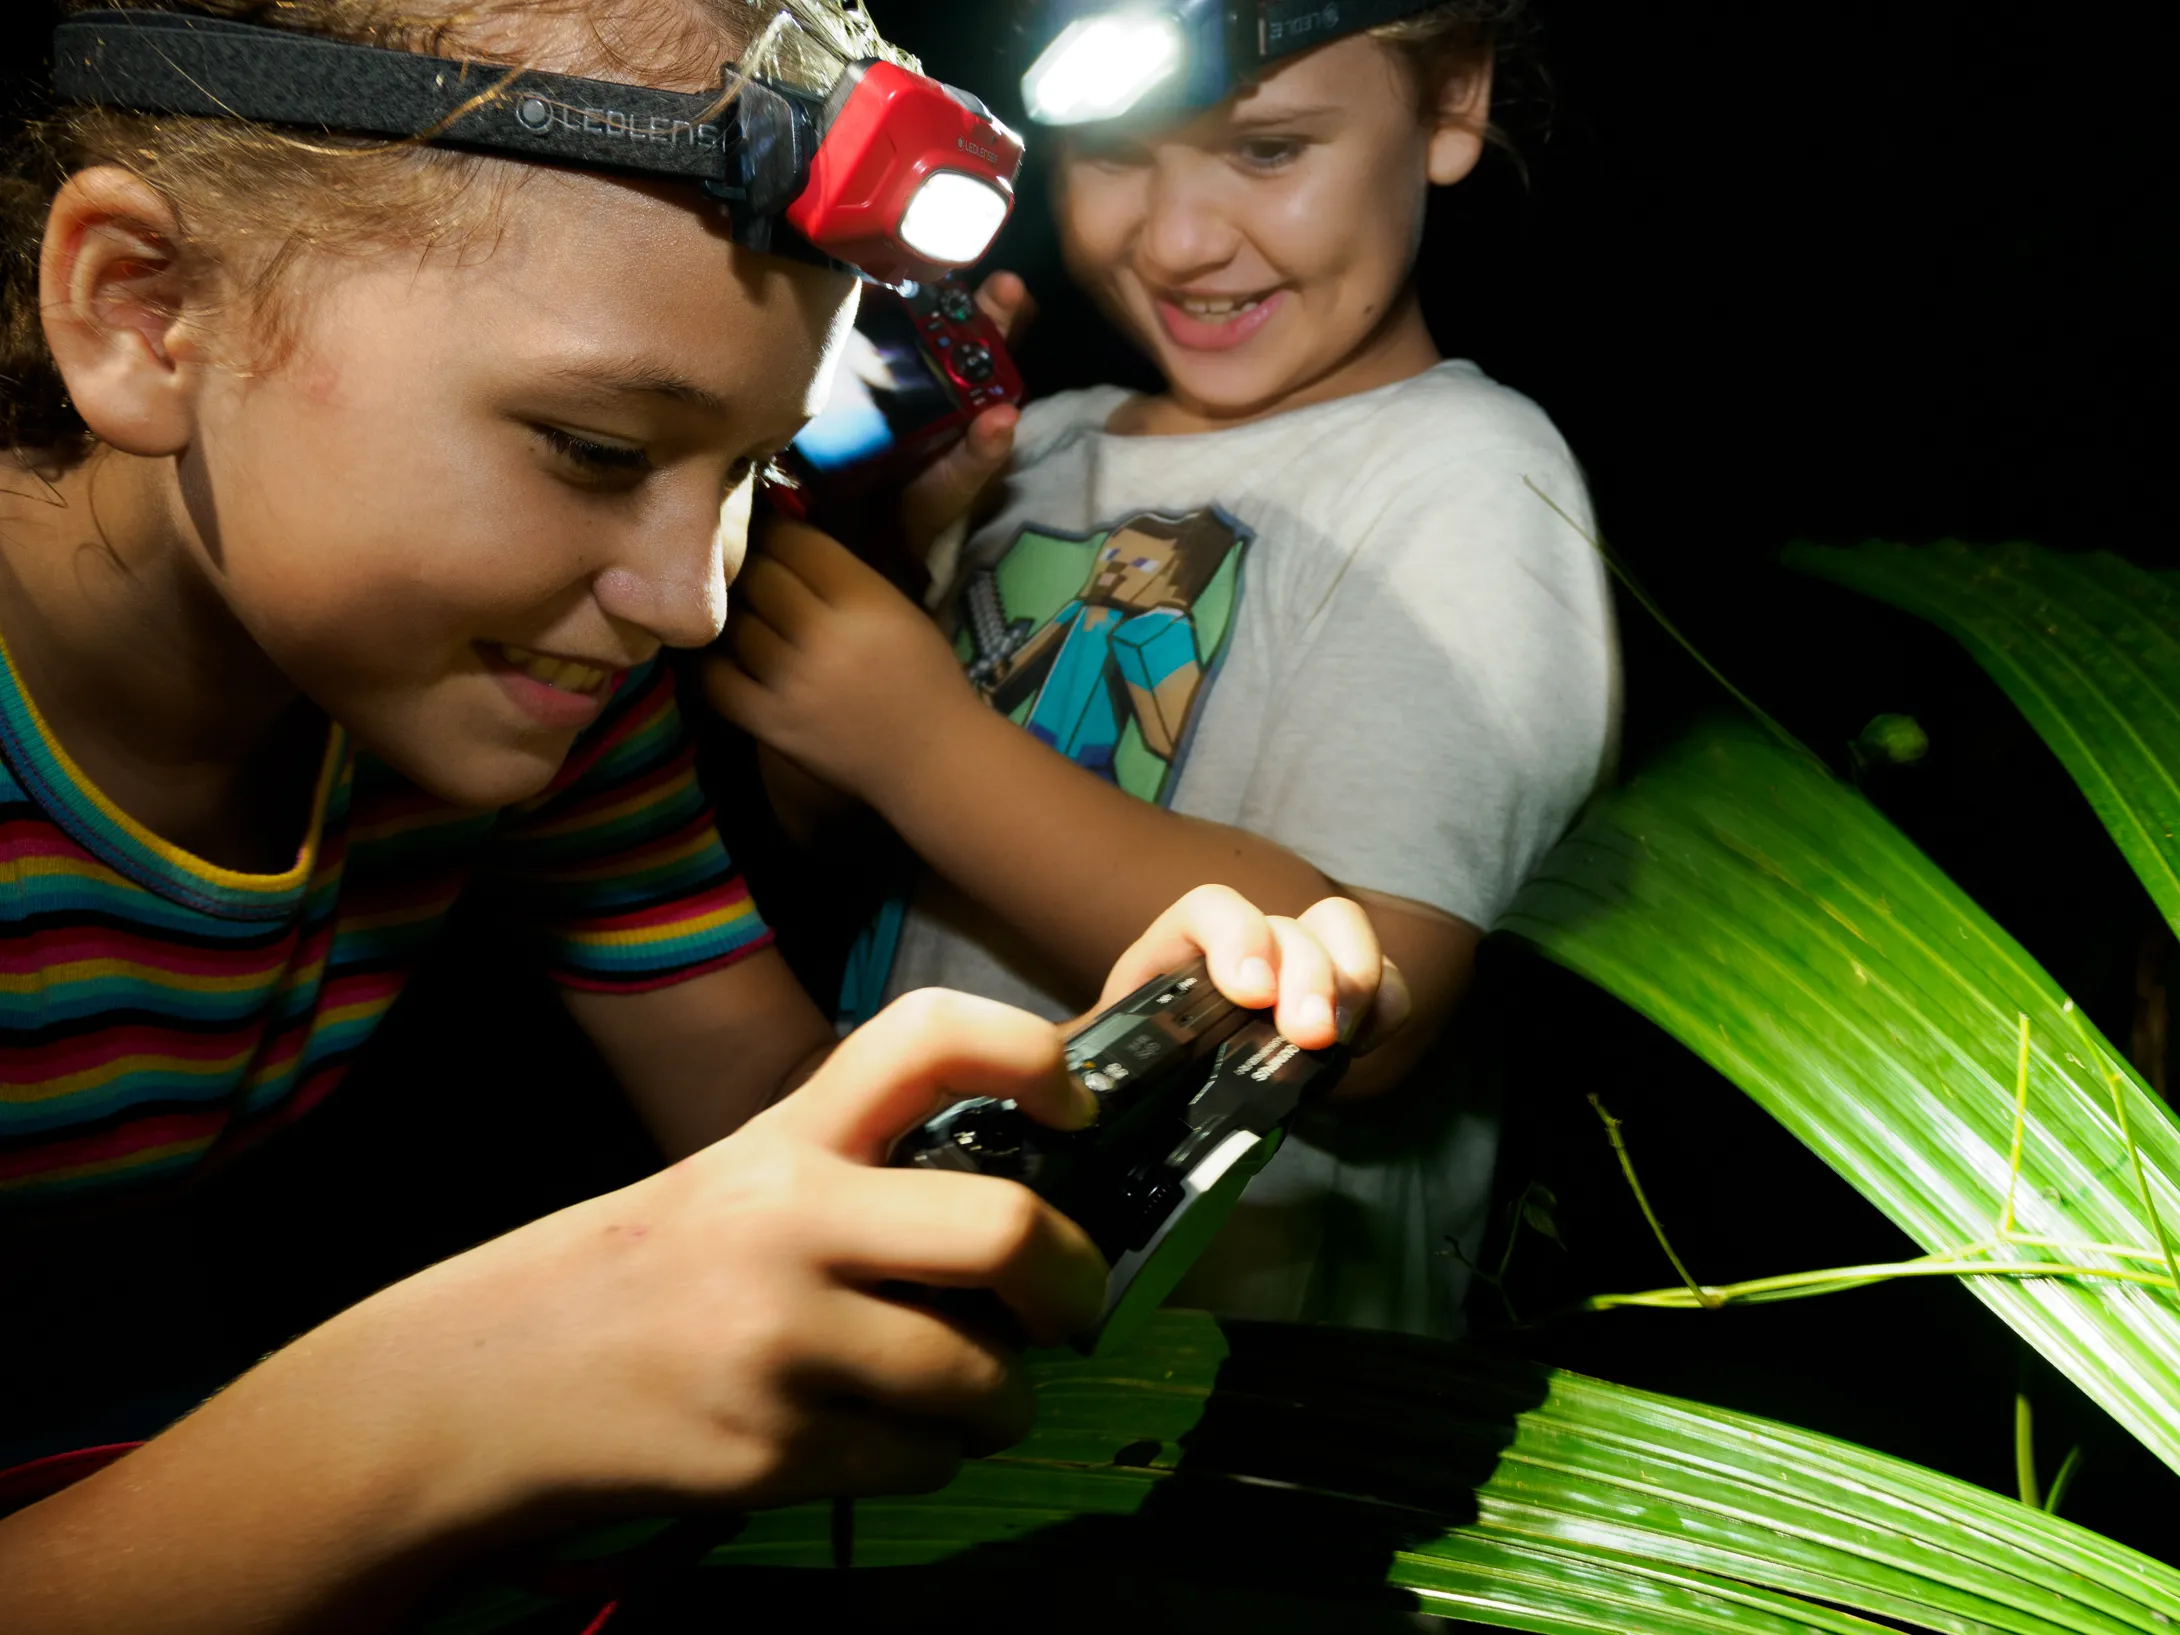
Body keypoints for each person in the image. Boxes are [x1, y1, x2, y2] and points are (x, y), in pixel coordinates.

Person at [0, 1, 1403, 1627]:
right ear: (144, 310)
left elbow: (763, 1120)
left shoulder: (521, 699)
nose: (691, 596)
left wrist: (1066, 1098)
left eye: (752, 472)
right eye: (596, 449)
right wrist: (456, 1400)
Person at [709, 0, 1618, 1338]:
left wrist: (915, 735)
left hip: (1211, 1409)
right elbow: (837, 829)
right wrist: (873, 566)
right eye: (1115, 154)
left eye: (1266, 152)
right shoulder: (1039, 445)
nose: (1180, 238)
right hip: (901, 1313)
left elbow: (1378, 1014)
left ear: (1452, 104)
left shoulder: (1465, 477)